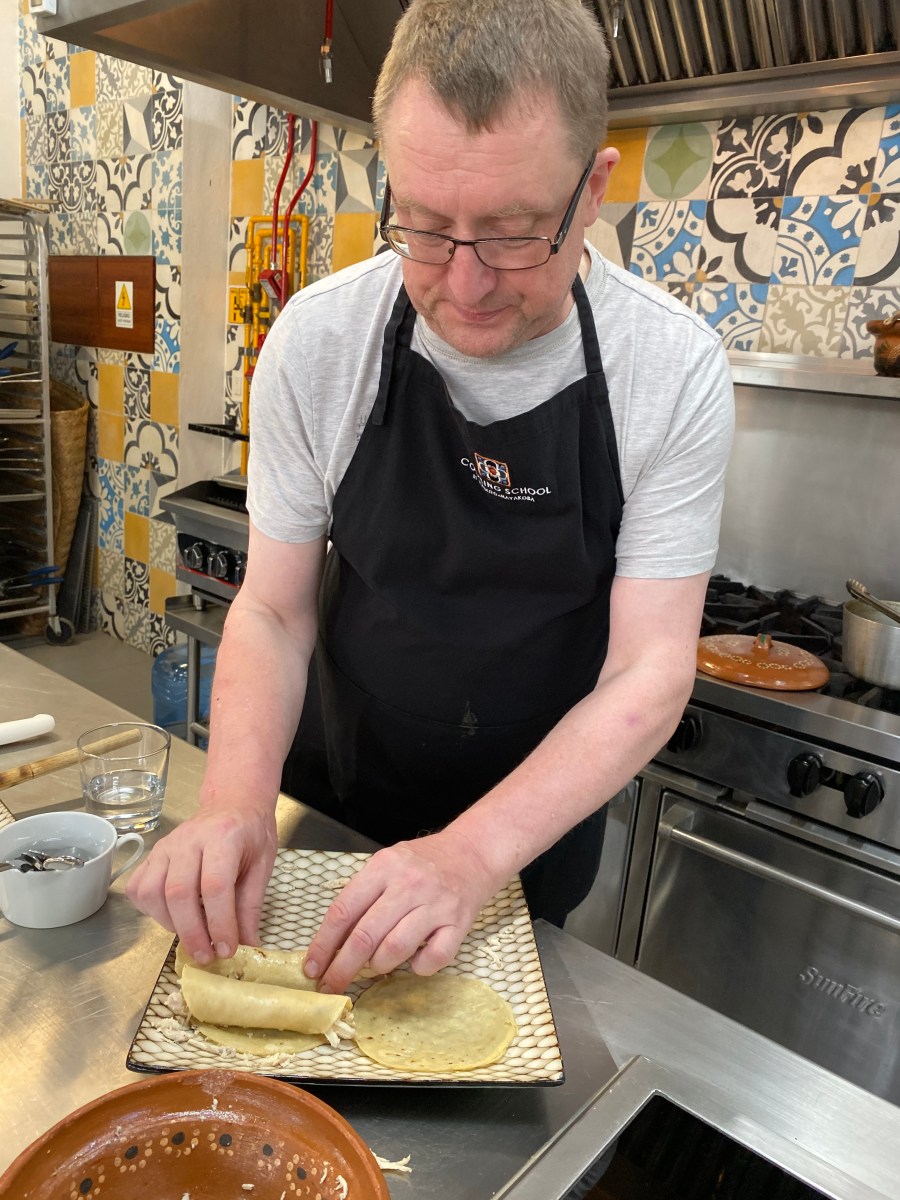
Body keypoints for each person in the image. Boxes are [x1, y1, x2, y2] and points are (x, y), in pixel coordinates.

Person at [126, 0, 734, 997]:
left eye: (512, 235)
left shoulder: (670, 371)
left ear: (593, 191)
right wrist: (233, 803)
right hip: (334, 800)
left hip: (524, 840)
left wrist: (470, 856)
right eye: (424, 227)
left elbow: (648, 671)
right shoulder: (321, 342)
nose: (465, 283)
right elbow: (273, 610)